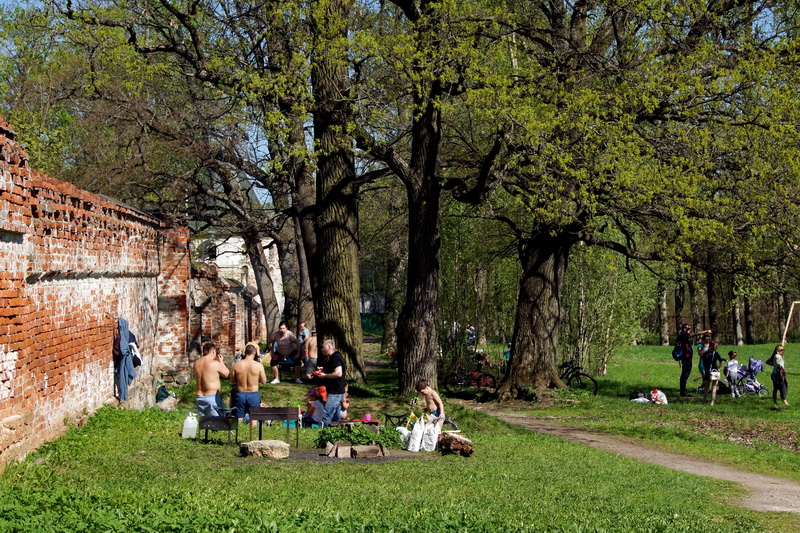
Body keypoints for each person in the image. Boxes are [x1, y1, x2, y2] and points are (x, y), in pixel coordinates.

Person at [230, 343, 267, 427]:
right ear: (254, 353)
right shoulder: (258, 365)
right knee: (254, 418)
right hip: (253, 393)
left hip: (241, 393)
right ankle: (252, 435)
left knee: (239, 417)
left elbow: (232, 381)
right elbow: (264, 381)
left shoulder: (237, 365)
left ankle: (239, 433)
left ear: (245, 353)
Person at [193, 342, 229, 416]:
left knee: (205, 424)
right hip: (212, 398)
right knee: (217, 423)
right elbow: (226, 374)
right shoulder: (214, 363)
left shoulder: (196, 363)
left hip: (200, 398)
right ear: (213, 352)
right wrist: (221, 362)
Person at [317, 339, 346, 427]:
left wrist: (324, 375)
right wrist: (324, 370)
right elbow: (333, 370)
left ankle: (325, 436)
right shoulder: (336, 356)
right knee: (336, 418)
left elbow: (338, 373)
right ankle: (338, 437)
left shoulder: (335, 357)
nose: (322, 349)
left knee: (327, 416)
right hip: (339, 391)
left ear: (329, 347)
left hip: (335, 392)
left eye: (323, 347)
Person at [676, 324, 711, 397]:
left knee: (685, 375)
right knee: (685, 375)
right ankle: (683, 392)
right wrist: (706, 331)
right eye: (689, 328)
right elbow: (696, 334)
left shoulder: (683, 336)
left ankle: (683, 391)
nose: (690, 330)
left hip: (686, 359)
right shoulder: (684, 335)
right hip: (686, 359)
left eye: (690, 328)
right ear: (684, 329)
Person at [701, 341, 724, 406]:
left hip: (707, 371)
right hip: (714, 371)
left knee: (706, 387)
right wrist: (718, 366)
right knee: (714, 387)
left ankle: (704, 401)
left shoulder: (705, 353)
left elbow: (704, 362)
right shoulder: (715, 353)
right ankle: (712, 402)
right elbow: (720, 361)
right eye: (716, 346)